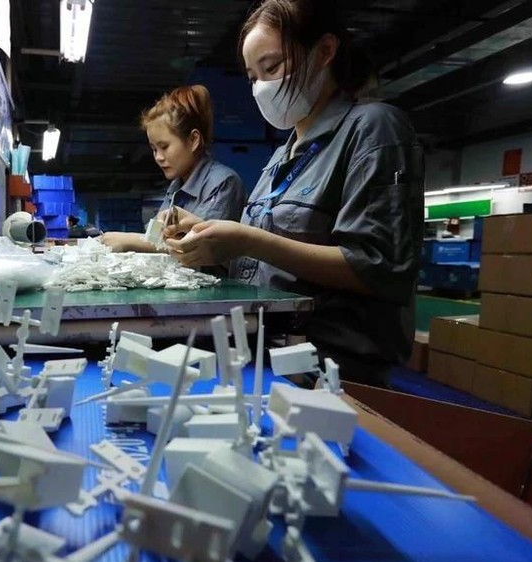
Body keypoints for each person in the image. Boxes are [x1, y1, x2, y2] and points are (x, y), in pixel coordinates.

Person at [164, 0, 424, 387]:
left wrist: (249, 239)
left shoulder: (374, 130)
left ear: (324, 52)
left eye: (271, 68)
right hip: (263, 355)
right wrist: (208, 236)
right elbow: (263, 261)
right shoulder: (281, 155)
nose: (261, 87)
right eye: (252, 76)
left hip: (333, 371)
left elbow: (379, 268)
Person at [100, 85, 246, 253]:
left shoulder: (223, 183)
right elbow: (155, 237)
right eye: (154, 149)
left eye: (164, 146)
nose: (158, 157)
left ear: (193, 140)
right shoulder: (176, 188)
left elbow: (202, 250)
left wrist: (131, 240)